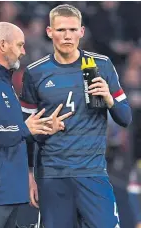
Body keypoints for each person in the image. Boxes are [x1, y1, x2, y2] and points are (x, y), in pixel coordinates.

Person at [20, 4, 132, 228]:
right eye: (61, 30)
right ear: (50, 32)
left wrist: (109, 99)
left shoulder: (101, 65)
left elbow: (125, 118)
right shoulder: (35, 72)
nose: (67, 36)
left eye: (72, 30)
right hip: (52, 175)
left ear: (81, 31)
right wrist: (30, 173)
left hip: (92, 173)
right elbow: (26, 130)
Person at [0, 22, 70, 228]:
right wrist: (24, 129)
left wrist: (41, 128)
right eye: (19, 45)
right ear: (2, 45)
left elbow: (14, 131)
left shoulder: (4, 83)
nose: (23, 51)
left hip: (8, 194)